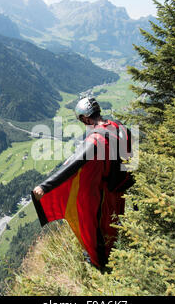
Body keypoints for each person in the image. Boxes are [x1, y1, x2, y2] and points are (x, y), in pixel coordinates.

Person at [32, 97, 134, 268]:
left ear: (86, 118)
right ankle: (117, 248)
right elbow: (128, 150)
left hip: (106, 190)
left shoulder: (95, 139)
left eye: (81, 120)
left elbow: (74, 165)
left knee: (98, 224)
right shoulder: (118, 125)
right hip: (120, 184)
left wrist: (45, 186)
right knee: (115, 219)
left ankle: (101, 262)